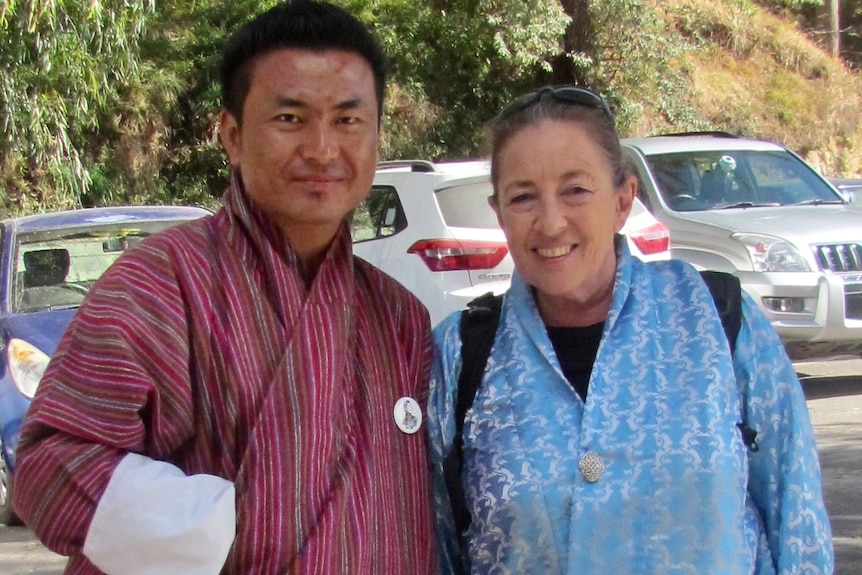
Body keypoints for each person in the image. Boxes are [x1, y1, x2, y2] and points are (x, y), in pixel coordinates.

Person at [12, 1, 438, 573]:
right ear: (232, 135)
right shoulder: (158, 287)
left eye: (347, 119)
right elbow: (53, 470)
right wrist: (234, 525)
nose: (321, 148)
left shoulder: (398, 317)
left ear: (376, 135)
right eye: (290, 119)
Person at [426, 86, 834, 574]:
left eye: (576, 190)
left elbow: (798, 525)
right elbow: (437, 547)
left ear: (623, 199)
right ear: (499, 213)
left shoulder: (716, 320)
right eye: (523, 197)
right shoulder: (462, 355)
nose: (551, 222)